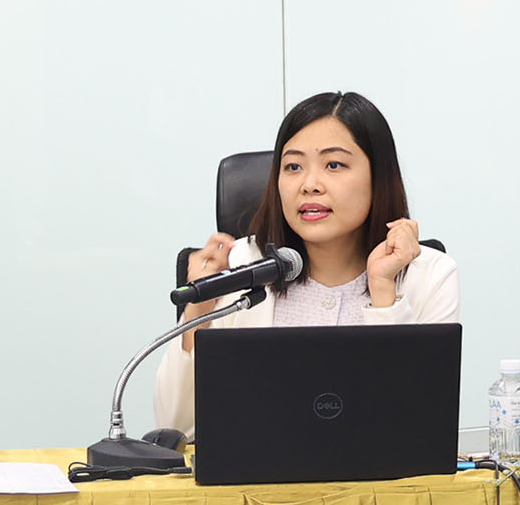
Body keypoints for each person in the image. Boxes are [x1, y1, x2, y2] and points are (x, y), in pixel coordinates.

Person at [153, 91, 460, 435]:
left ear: (379, 178)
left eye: (334, 165)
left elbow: (417, 426)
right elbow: (176, 428)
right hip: (258, 471)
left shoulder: (430, 275)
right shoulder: (239, 267)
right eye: (293, 167)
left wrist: (383, 292)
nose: (309, 185)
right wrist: (198, 312)